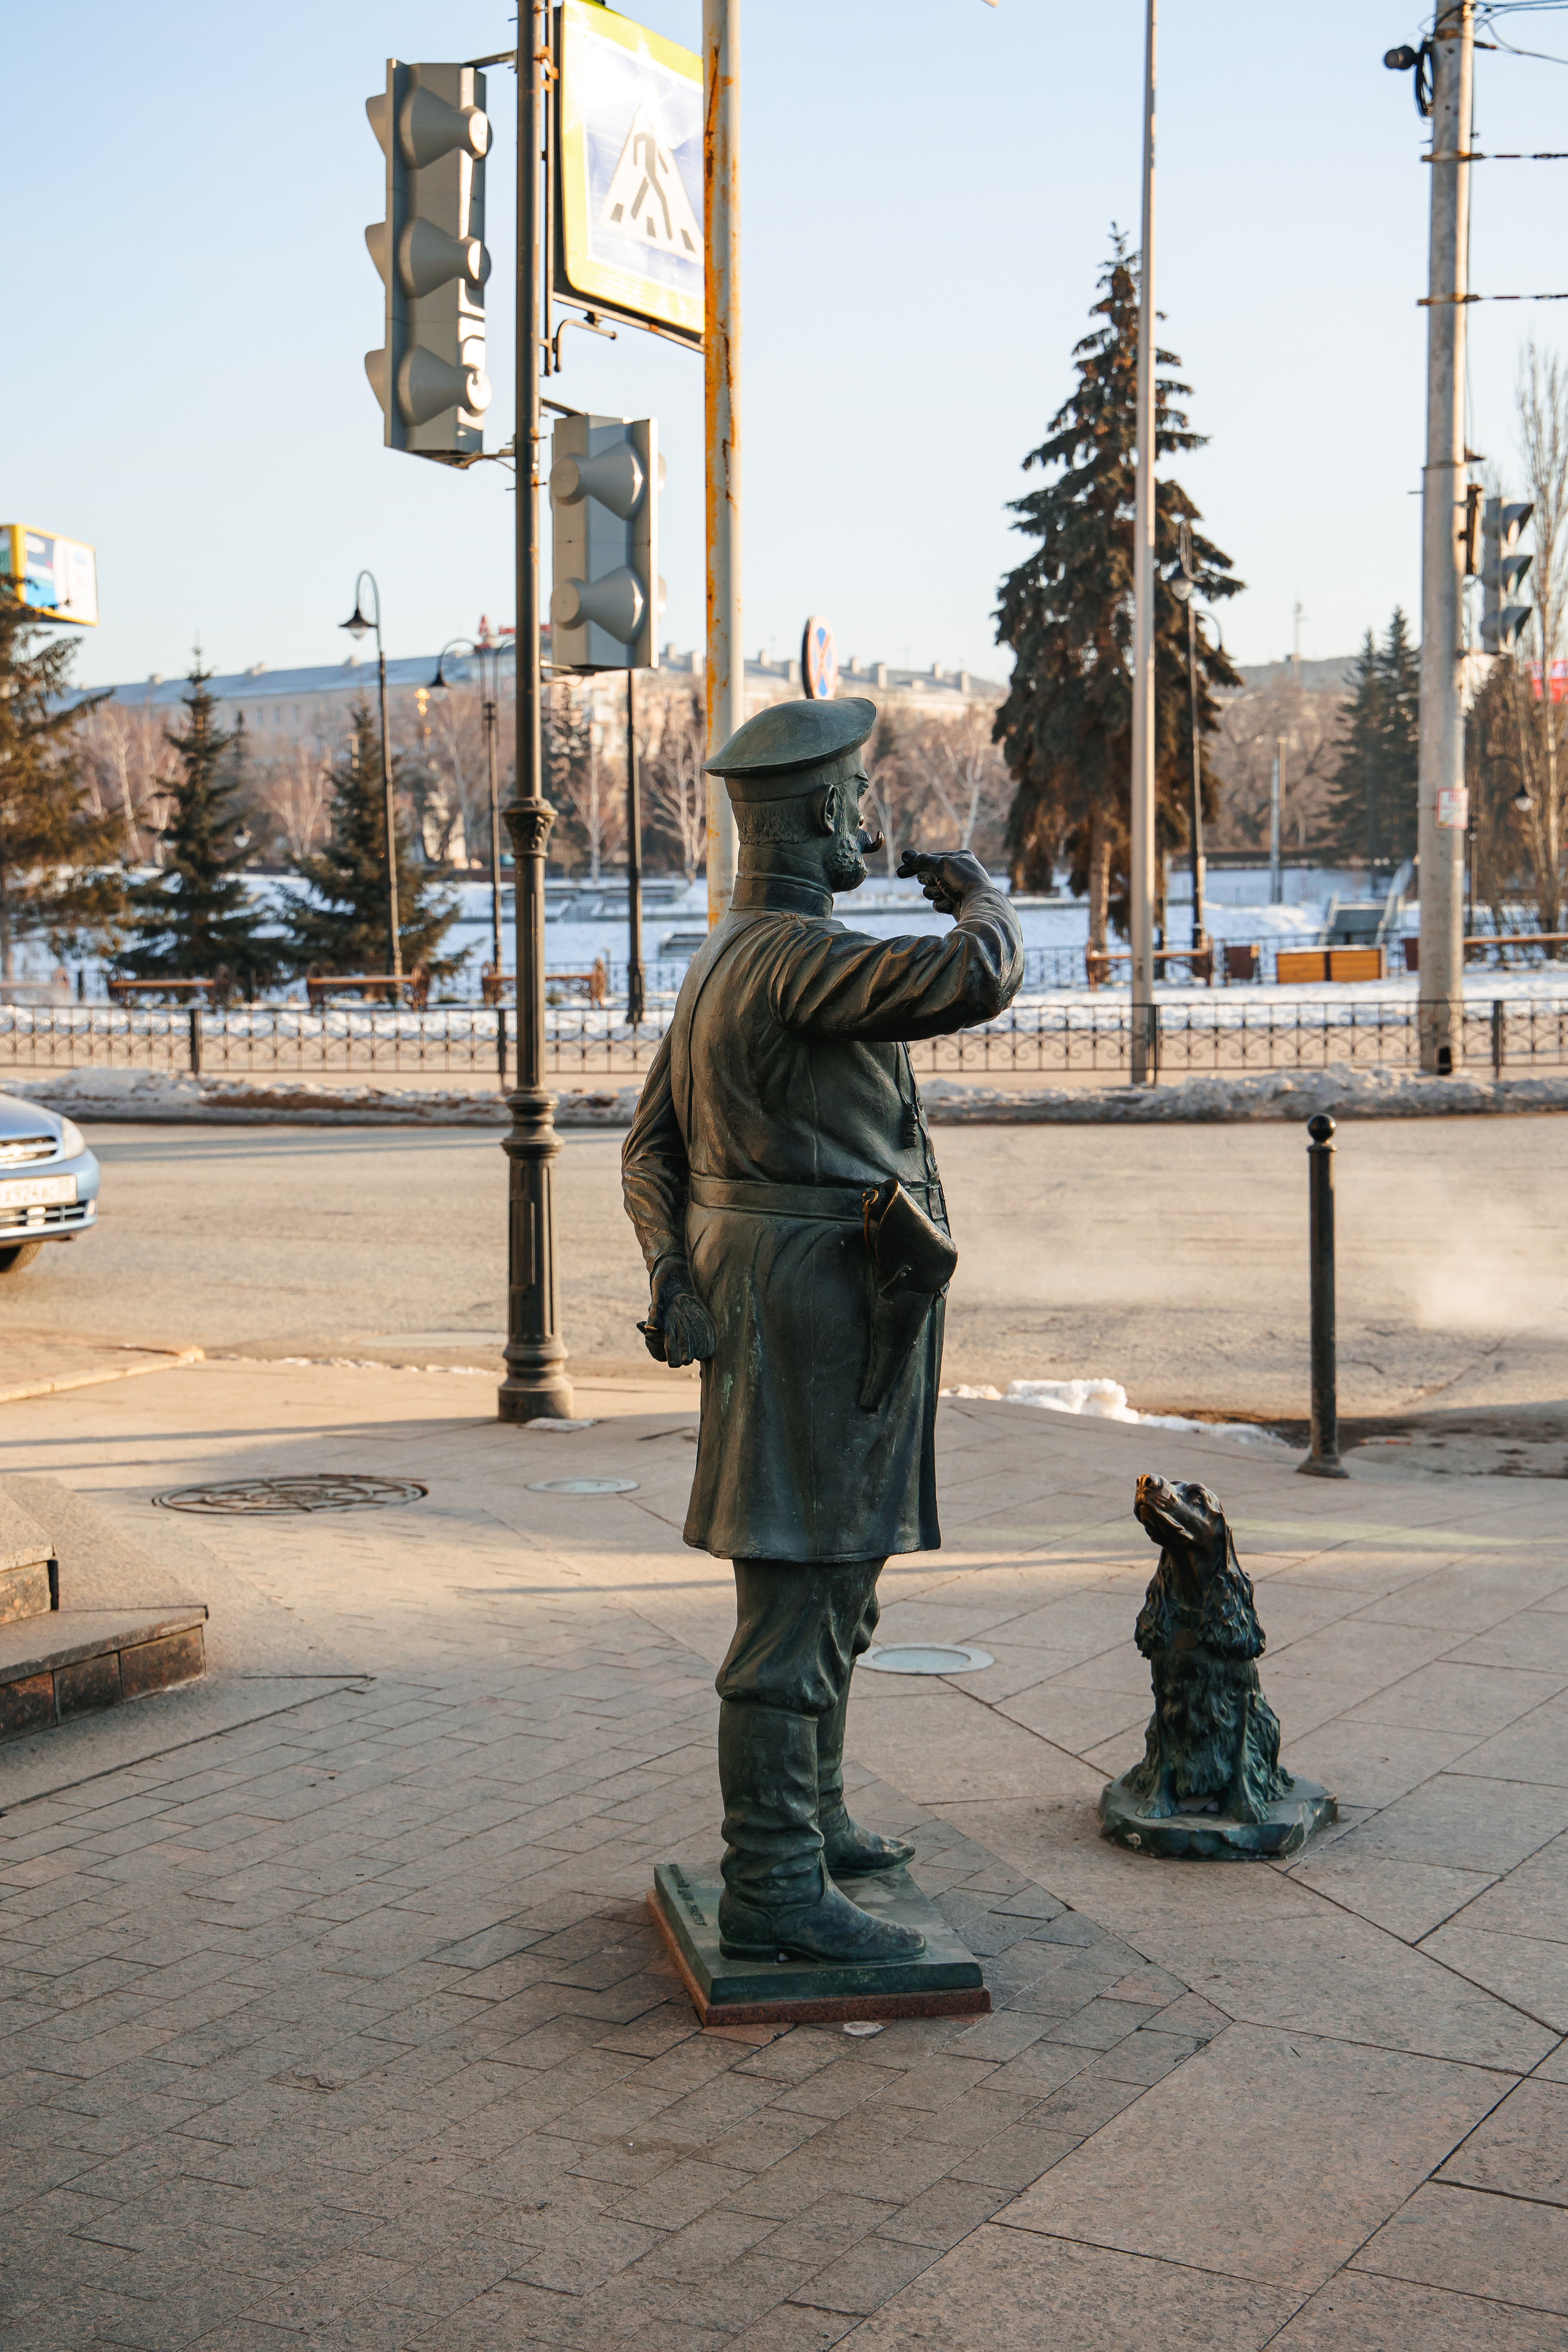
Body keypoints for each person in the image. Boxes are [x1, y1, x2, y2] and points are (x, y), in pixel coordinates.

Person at [622, 698, 1022, 1964]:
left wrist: (673, 1272)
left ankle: (816, 1817)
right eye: (852, 799)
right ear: (810, 816)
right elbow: (973, 977)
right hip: (819, 1310)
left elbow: (648, 1150)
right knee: (800, 1597)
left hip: (805, 1297)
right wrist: (981, 898)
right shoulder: (791, 954)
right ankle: (774, 1884)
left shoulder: (723, 955)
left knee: (837, 1586)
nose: (868, 818)